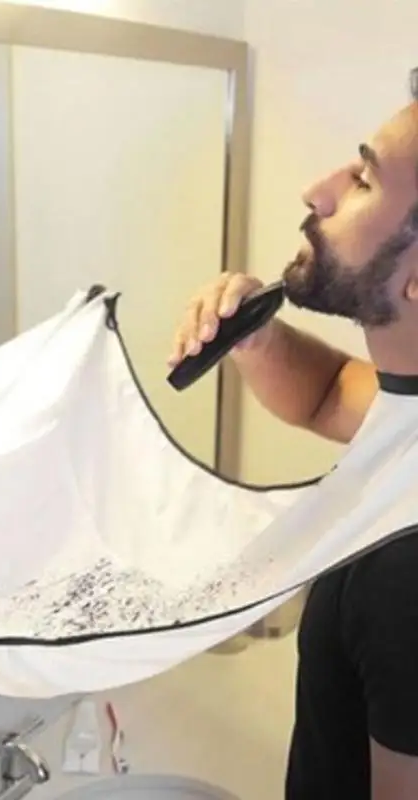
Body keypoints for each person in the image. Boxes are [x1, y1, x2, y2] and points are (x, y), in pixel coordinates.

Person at [168, 70, 418, 799]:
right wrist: (258, 339)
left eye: (363, 181)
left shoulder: (405, 571)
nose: (317, 190)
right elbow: (330, 394)